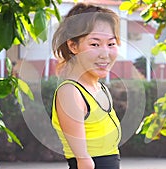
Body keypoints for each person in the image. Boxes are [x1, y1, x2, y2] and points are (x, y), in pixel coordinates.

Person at [51, 3, 121, 169]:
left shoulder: (100, 88)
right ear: (73, 46)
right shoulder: (70, 92)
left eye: (111, 44)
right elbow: (84, 161)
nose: (105, 53)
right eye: (95, 44)